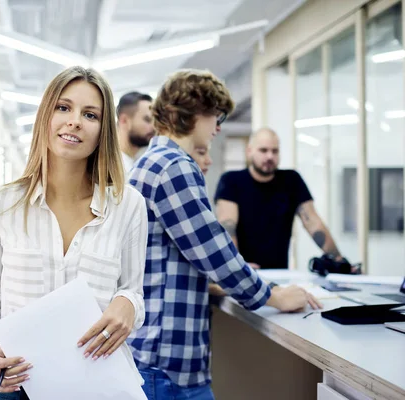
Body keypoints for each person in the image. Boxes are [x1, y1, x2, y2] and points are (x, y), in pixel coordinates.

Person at [127, 69, 322, 400]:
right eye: (214, 116)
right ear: (187, 115)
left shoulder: (153, 162)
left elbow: (180, 256)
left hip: (160, 358)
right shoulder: (173, 166)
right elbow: (216, 254)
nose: (217, 128)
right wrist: (276, 297)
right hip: (169, 364)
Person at [0, 66, 149, 400]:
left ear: (102, 131)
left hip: (100, 385)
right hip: (20, 387)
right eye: (63, 108)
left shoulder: (128, 206)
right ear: (45, 117)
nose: (74, 121)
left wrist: (128, 304)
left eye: (90, 114)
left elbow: (133, 290)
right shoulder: (0, 205)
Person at [214, 127, 347, 270]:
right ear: (249, 151)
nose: (270, 156)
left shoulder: (291, 180)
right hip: (245, 273)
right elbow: (227, 226)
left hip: (280, 273)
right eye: (263, 150)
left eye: (275, 151)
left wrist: (340, 261)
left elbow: (314, 224)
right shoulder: (231, 180)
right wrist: (236, 266)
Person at [116, 91, 155, 176]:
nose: (153, 127)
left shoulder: (137, 162)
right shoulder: (111, 166)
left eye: (155, 121)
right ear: (124, 120)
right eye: (147, 120)